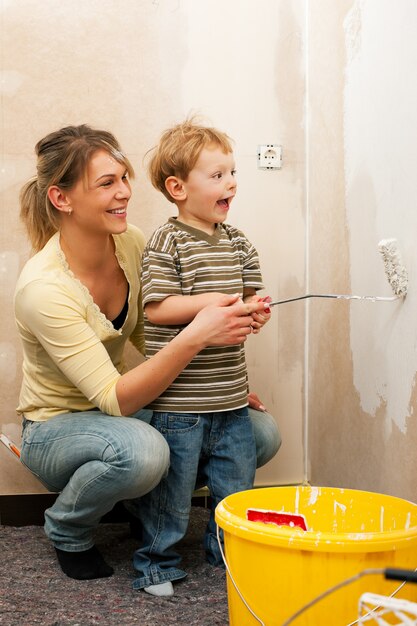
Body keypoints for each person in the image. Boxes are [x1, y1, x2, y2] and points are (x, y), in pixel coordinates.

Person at [14, 124, 281, 583]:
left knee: (255, 432)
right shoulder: (44, 289)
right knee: (144, 453)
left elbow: (147, 336)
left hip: (119, 410)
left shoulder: (131, 242)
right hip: (57, 426)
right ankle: (67, 528)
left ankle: (144, 504)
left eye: (124, 178)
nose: (125, 193)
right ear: (62, 198)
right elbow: (116, 399)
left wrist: (213, 388)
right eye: (107, 183)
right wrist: (197, 336)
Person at [130, 119, 273, 597]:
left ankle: (227, 553)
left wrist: (256, 312)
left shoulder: (238, 241)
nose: (230, 183)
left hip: (230, 398)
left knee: (236, 490)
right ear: (177, 188)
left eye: (232, 173)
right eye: (217, 175)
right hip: (179, 405)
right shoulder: (167, 242)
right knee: (171, 496)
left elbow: (249, 298)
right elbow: (158, 308)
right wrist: (215, 301)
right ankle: (156, 563)